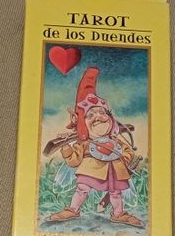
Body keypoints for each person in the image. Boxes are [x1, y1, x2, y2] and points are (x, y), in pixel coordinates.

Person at [47, 67, 142, 227]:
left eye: (102, 113)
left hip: (114, 171)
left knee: (116, 193)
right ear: (83, 124)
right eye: (91, 115)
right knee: (82, 188)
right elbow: (73, 161)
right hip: (90, 170)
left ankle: (118, 214)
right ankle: (72, 210)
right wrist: (66, 146)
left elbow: (128, 152)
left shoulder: (115, 140)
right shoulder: (84, 143)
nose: (98, 117)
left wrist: (124, 158)